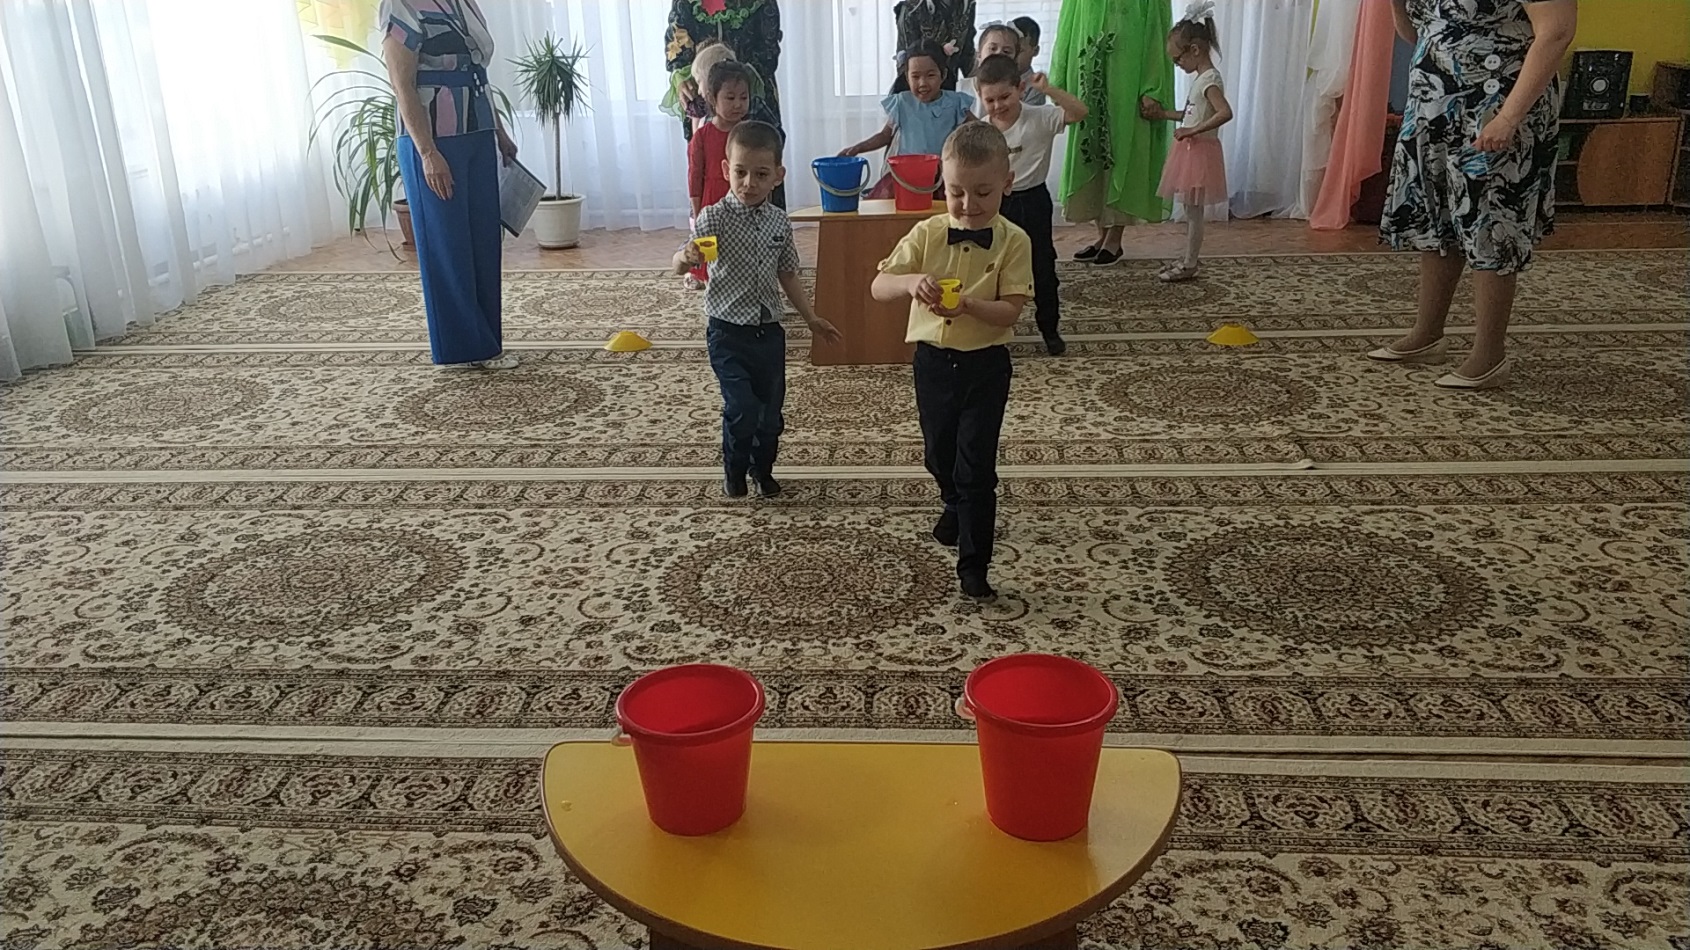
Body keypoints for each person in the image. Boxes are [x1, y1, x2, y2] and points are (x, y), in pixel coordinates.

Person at [1371, 0, 1575, 390]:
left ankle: (1489, 356)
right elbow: (1424, 30)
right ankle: (1427, 335)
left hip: (1497, 107)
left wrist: (1509, 117)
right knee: (1438, 217)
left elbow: (1557, 32)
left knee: (1492, 222)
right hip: (1434, 104)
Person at [871, 122, 1032, 601]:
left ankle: (974, 567)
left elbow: (1011, 311)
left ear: (1006, 183)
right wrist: (910, 281)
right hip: (933, 364)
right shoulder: (926, 233)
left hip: (986, 366)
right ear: (943, 183)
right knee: (938, 454)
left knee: (975, 467)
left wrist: (970, 307)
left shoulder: (1014, 241)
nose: (968, 205)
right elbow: (879, 287)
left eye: (982, 192)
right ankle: (953, 503)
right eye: (956, 192)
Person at [674, 122, 844, 499]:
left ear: (778, 177)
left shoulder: (779, 222)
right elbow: (679, 264)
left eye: (761, 174)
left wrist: (811, 318)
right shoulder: (713, 218)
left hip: (769, 334)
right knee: (742, 407)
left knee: (770, 415)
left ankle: (762, 470)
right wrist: (686, 257)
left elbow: (788, 274)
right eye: (740, 172)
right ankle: (734, 469)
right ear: (726, 170)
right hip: (727, 333)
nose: (749, 183)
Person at [380, 0, 519, 369]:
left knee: (483, 241)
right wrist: (427, 153)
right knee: (448, 244)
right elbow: (402, 85)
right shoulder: (401, 5)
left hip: (477, 130)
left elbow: (476, 71)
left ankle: (487, 345)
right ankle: (460, 350)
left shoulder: (464, 3)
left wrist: (499, 132)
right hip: (435, 141)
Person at [974, 54, 1087, 355]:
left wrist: (1049, 90)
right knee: (991, 267)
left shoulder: (1040, 117)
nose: (998, 105)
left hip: (1034, 200)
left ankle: (1049, 328)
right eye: (990, 100)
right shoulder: (983, 130)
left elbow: (1079, 112)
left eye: (1005, 97)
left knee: (1042, 267)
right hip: (996, 205)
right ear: (980, 96)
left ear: (1020, 89)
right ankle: (990, 329)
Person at [1051, 0, 1174, 265]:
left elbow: (1157, 32)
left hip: (1128, 78)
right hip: (1086, 75)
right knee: (1091, 152)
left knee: (1121, 150)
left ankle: (1115, 238)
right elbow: (1067, 26)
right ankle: (1101, 235)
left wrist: (1152, 88)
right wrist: (1058, 82)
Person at [1143, 3, 1233, 283]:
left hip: (1200, 153)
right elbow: (1192, 113)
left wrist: (1193, 130)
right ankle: (1188, 258)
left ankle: (1190, 263)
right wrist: (1163, 115)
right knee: (1191, 211)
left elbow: (1224, 113)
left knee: (1194, 213)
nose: (1177, 64)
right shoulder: (1201, 79)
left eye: (1177, 59)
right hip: (1191, 150)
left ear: (1194, 50)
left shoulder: (1210, 80)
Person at [842, 41, 976, 199]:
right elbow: (885, 135)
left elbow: (978, 129)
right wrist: (858, 148)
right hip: (906, 177)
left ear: (943, 75)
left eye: (930, 75)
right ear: (907, 77)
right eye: (915, 76)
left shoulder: (956, 103)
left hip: (943, 177)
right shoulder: (901, 103)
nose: (923, 83)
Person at [685, 61, 755, 290]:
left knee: (743, 243)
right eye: (730, 98)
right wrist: (697, 212)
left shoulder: (752, 133)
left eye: (744, 97)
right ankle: (705, 277)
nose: (738, 104)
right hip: (712, 198)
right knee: (711, 245)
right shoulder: (702, 136)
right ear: (712, 99)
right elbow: (695, 176)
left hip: (744, 197)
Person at [889, 0, 977, 94]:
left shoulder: (966, 5)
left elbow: (967, 53)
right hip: (915, 90)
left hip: (948, 88)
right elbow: (909, 60)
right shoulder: (912, 8)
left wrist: (979, 85)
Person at [1011, 16, 1049, 104]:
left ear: (1035, 51)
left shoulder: (1036, 87)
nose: (1013, 55)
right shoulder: (994, 76)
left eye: (1019, 51)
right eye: (1009, 50)